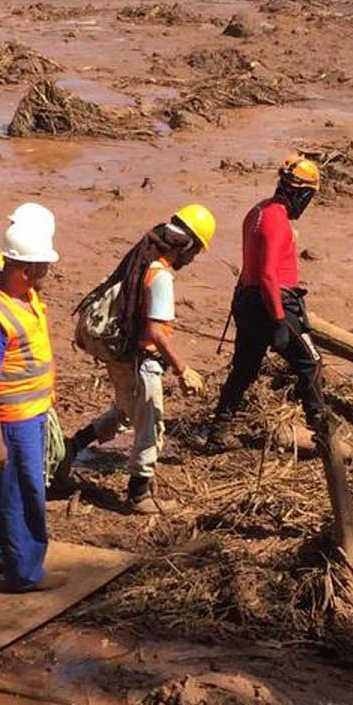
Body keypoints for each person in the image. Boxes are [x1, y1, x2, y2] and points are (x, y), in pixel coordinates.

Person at [63, 206, 214, 514]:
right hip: (141, 362)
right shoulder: (161, 278)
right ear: (188, 246)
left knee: (125, 411)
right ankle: (138, 494)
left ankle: (73, 446)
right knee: (150, 426)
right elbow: (157, 333)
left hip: (121, 357)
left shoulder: (140, 262)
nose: (193, 260)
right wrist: (182, 369)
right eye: (196, 253)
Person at [0, 206, 68, 592]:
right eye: (42, 268)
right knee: (23, 492)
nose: (46, 275)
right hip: (13, 419)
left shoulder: (21, 296)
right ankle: (24, 573)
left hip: (30, 412)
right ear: (26, 269)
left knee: (6, 490)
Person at [206, 158, 326, 451]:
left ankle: (218, 432)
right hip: (271, 301)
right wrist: (278, 319)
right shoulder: (277, 222)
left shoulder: (258, 211)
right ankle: (323, 431)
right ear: (303, 194)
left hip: (246, 299)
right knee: (311, 362)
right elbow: (269, 274)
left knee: (244, 369)